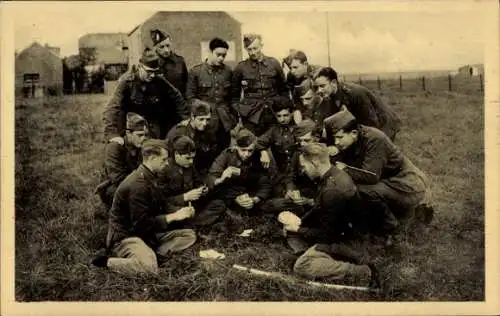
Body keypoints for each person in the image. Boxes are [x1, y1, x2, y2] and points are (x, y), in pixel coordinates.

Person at [90, 139, 197, 275]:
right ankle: (106, 262)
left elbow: (161, 204)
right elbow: (142, 224)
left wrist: (182, 212)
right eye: (164, 160)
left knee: (189, 235)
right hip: (125, 236)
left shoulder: (151, 176)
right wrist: (174, 217)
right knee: (150, 268)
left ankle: (152, 253)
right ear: (152, 158)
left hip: (145, 234)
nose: (167, 163)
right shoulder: (138, 185)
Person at [280, 142, 380, 287]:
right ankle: (314, 253)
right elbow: (319, 209)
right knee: (293, 234)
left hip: (347, 241)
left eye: (304, 166)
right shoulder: (333, 175)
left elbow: (326, 235)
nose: (303, 170)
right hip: (344, 233)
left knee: (301, 266)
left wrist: (297, 229)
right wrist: (299, 223)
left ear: (314, 162)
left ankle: (361, 271)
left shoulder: (332, 190)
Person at [324, 110, 430, 245]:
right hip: (386, 180)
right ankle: (368, 225)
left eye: (339, 137)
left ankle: (392, 229)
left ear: (354, 133)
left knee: (361, 190)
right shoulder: (353, 139)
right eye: (334, 138)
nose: (336, 142)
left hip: (406, 182)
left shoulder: (374, 139)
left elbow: (371, 177)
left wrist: (344, 168)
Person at [103, 47, 188, 141]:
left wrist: (185, 119)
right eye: (149, 72)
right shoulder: (127, 82)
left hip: (152, 126)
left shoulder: (158, 80)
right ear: (140, 67)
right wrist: (111, 133)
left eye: (155, 72)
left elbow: (176, 96)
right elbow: (112, 107)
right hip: (132, 127)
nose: (152, 75)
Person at [314, 67, 401, 141]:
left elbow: (371, 123)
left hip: (384, 123)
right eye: (316, 87)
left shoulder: (354, 94)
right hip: (365, 123)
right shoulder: (328, 95)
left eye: (322, 86)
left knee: (377, 152)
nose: (319, 90)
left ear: (333, 82)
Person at [159, 136, 226, 227]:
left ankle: (190, 222)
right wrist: (185, 197)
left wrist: (202, 189)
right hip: (175, 207)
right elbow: (162, 200)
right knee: (174, 212)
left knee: (219, 203)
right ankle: (194, 221)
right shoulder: (164, 169)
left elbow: (198, 181)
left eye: (193, 158)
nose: (191, 161)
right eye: (187, 158)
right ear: (176, 154)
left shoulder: (190, 166)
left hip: (192, 205)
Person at [231, 34, 290, 136]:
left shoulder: (274, 63)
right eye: (249, 49)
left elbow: (283, 89)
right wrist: (241, 111)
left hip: (273, 112)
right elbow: (234, 96)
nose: (253, 52)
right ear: (245, 48)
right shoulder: (241, 68)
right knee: (253, 144)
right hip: (251, 116)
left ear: (261, 46)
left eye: (255, 48)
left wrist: (282, 108)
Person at [208, 128, 273, 216]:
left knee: (269, 205)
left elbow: (265, 183)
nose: (246, 154)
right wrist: (222, 178)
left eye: (250, 150)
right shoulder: (227, 155)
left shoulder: (258, 157)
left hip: (249, 192)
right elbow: (211, 177)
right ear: (236, 147)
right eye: (243, 150)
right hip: (230, 192)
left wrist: (255, 199)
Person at [186, 37, 236, 148]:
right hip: (205, 123)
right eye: (218, 54)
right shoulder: (196, 72)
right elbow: (190, 98)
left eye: (224, 55)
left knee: (225, 150)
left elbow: (232, 97)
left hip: (224, 122)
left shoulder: (228, 72)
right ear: (210, 52)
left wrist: (233, 118)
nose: (221, 58)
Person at [95, 113, 148, 209]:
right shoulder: (114, 148)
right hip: (113, 187)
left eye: (145, 135)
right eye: (139, 135)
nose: (144, 138)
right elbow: (118, 179)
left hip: (134, 183)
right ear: (128, 133)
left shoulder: (140, 146)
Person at [165, 100, 222, 176]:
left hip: (199, 169)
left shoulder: (208, 130)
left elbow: (212, 151)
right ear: (192, 116)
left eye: (207, 119)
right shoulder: (179, 132)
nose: (205, 123)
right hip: (180, 171)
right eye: (201, 119)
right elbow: (169, 156)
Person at [150, 29, 189, 98]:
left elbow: (187, 84)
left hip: (179, 104)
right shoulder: (152, 65)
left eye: (168, 46)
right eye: (161, 47)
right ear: (155, 48)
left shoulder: (180, 61)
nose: (166, 50)